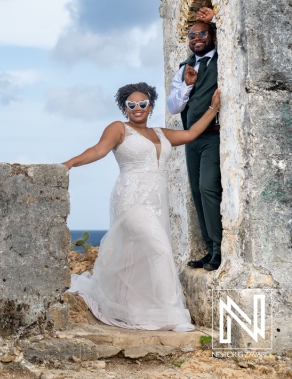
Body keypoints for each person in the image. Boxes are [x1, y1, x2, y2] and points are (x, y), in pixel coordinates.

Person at [63, 82, 220, 331]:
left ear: (151, 107)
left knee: (139, 257)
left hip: (158, 200)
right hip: (131, 199)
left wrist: (213, 108)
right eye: (131, 105)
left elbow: (190, 135)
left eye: (143, 104)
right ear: (125, 108)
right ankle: (173, 316)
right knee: (160, 249)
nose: (137, 108)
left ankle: (132, 309)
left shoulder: (160, 133)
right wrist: (69, 163)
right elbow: (98, 150)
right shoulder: (119, 129)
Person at [166, 7, 222, 271]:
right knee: (197, 193)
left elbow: (235, 28)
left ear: (211, 36)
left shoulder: (222, 58)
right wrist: (188, 85)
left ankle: (220, 250)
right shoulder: (184, 68)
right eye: (191, 36)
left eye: (202, 33)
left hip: (213, 135)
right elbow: (174, 107)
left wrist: (215, 19)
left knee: (209, 189)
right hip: (191, 140)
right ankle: (209, 250)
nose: (196, 38)